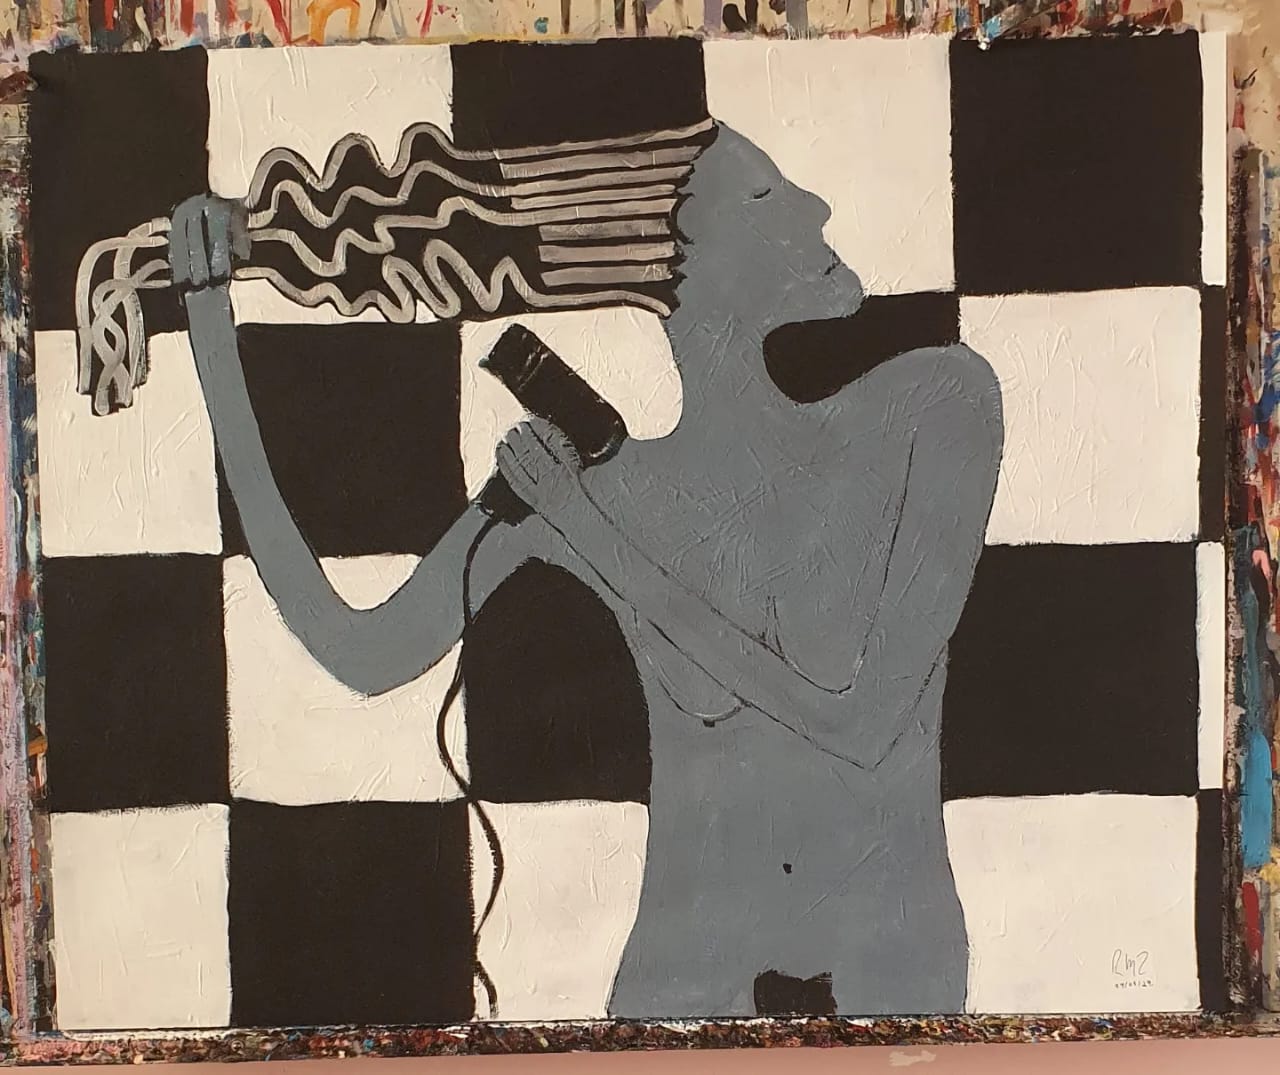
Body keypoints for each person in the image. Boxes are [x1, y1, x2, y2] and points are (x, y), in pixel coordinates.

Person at [171, 122, 1003, 1019]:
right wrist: (211, 337)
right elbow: (360, 650)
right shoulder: (587, 481)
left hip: (893, 968)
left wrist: (595, 533)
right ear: (688, 269)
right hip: (684, 979)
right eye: (766, 198)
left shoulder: (936, 406)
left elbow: (862, 719)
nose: (816, 207)